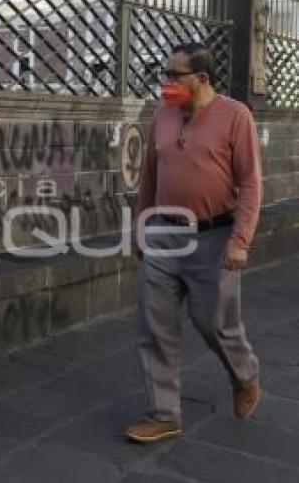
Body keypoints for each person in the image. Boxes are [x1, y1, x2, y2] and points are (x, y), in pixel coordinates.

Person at [126, 43, 262, 444]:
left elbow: (252, 183)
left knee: (215, 323)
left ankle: (245, 375)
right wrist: (141, 228)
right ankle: (164, 413)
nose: (167, 83)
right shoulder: (162, 116)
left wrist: (241, 240)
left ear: (202, 78)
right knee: (154, 327)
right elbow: (149, 176)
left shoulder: (236, 116)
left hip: (214, 236)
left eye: (175, 75)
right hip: (163, 235)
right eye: (164, 74)